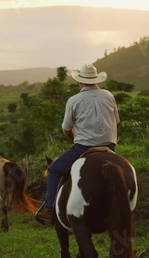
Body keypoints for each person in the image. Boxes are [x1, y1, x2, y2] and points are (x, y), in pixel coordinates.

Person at [35, 63, 120, 225]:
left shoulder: (74, 100)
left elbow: (66, 129)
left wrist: (73, 135)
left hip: (83, 147)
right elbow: (116, 121)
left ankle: (50, 208)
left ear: (80, 82)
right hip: (110, 147)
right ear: (96, 80)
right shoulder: (109, 95)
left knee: (54, 170)